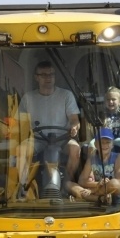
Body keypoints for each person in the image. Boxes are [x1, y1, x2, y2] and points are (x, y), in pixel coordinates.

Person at [13, 61, 81, 198]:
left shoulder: (66, 95)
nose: (48, 78)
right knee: (21, 149)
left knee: (75, 149)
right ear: (36, 77)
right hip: (37, 139)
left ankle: (66, 184)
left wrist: (74, 127)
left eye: (51, 74)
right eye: (43, 75)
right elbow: (18, 123)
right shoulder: (28, 98)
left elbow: (75, 120)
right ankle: (23, 186)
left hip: (62, 139)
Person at [68, 128, 120, 205]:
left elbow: (118, 181)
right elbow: (81, 181)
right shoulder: (92, 159)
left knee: (114, 183)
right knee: (68, 184)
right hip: (99, 189)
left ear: (112, 145)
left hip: (112, 192)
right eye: (101, 143)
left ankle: (93, 197)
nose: (104, 145)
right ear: (95, 144)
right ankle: (100, 199)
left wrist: (93, 191)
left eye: (108, 142)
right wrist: (98, 184)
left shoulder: (118, 157)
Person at [89, 86, 120, 158]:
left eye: (113, 99)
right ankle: (91, 166)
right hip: (104, 138)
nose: (110, 102)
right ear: (105, 101)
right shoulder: (102, 114)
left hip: (116, 138)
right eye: (108, 100)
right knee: (91, 144)